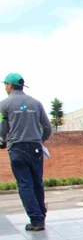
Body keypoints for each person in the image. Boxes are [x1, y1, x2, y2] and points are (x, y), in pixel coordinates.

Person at [0, 73, 52, 231]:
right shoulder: (36, 103)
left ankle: (36, 220)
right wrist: (40, 140)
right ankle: (41, 216)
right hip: (35, 148)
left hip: (17, 148)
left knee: (25, 185)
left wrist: (2, 139)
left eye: (5, 85)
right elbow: (48, 128)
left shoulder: (4, 104)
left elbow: (2, 128)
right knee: (37, 183)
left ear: (9, 85)